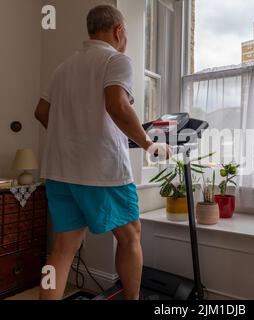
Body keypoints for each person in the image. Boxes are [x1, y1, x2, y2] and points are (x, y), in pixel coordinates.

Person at [34, 4, 171, 300]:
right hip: (102, 172)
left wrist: (69, 136)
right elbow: (117, 105)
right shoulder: (116, 60)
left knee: (61, 250)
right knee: (130, 236)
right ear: (119, 30)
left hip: (60, 172)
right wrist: (150, 144)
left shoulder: (63, 67)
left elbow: (41, 111)